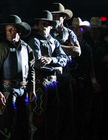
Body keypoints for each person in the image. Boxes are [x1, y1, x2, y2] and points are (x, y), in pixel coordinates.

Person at [0, 14, 36, 140]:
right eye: (7, 31)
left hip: (24, 89)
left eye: (12, 30)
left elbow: (31, 68)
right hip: (8, 90)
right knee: (7, 124)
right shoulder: (1, 48)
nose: (10, 33)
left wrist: (32, 87)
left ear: (19, 31)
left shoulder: (27, 48)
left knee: (24, 123)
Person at [28, 10, 68, 140]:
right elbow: (38, 63)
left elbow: (64, 59)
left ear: (51, 25)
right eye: (41, 24)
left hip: (53, 82)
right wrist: (57, 66)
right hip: (40, 81)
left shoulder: (55, 42)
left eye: (46, 24)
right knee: (39, 114)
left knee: (53, 112)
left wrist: (52, 60)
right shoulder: (35, 40)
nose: (42, 27)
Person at [50, 2, 81, 140]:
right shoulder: (47, 31)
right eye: (53, 15)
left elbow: (77, 51)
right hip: (50, 76)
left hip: (65, 76)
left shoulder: (68, 32)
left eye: (58, 16)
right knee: (53, 111)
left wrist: (57, 47)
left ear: (64, 17)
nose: (56, 18)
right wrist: (67, 48)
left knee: (68, 111)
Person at [69, 17, 100, 140]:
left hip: (84, 83)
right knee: (73, 112)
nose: (76, 30)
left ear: (83, 30)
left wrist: (94, 81)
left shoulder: (87, 47)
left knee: (85, 112)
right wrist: (70, 77)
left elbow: (90, 67)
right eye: (74, 28)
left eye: (79, 28)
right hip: (72, 83)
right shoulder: (68, 45)